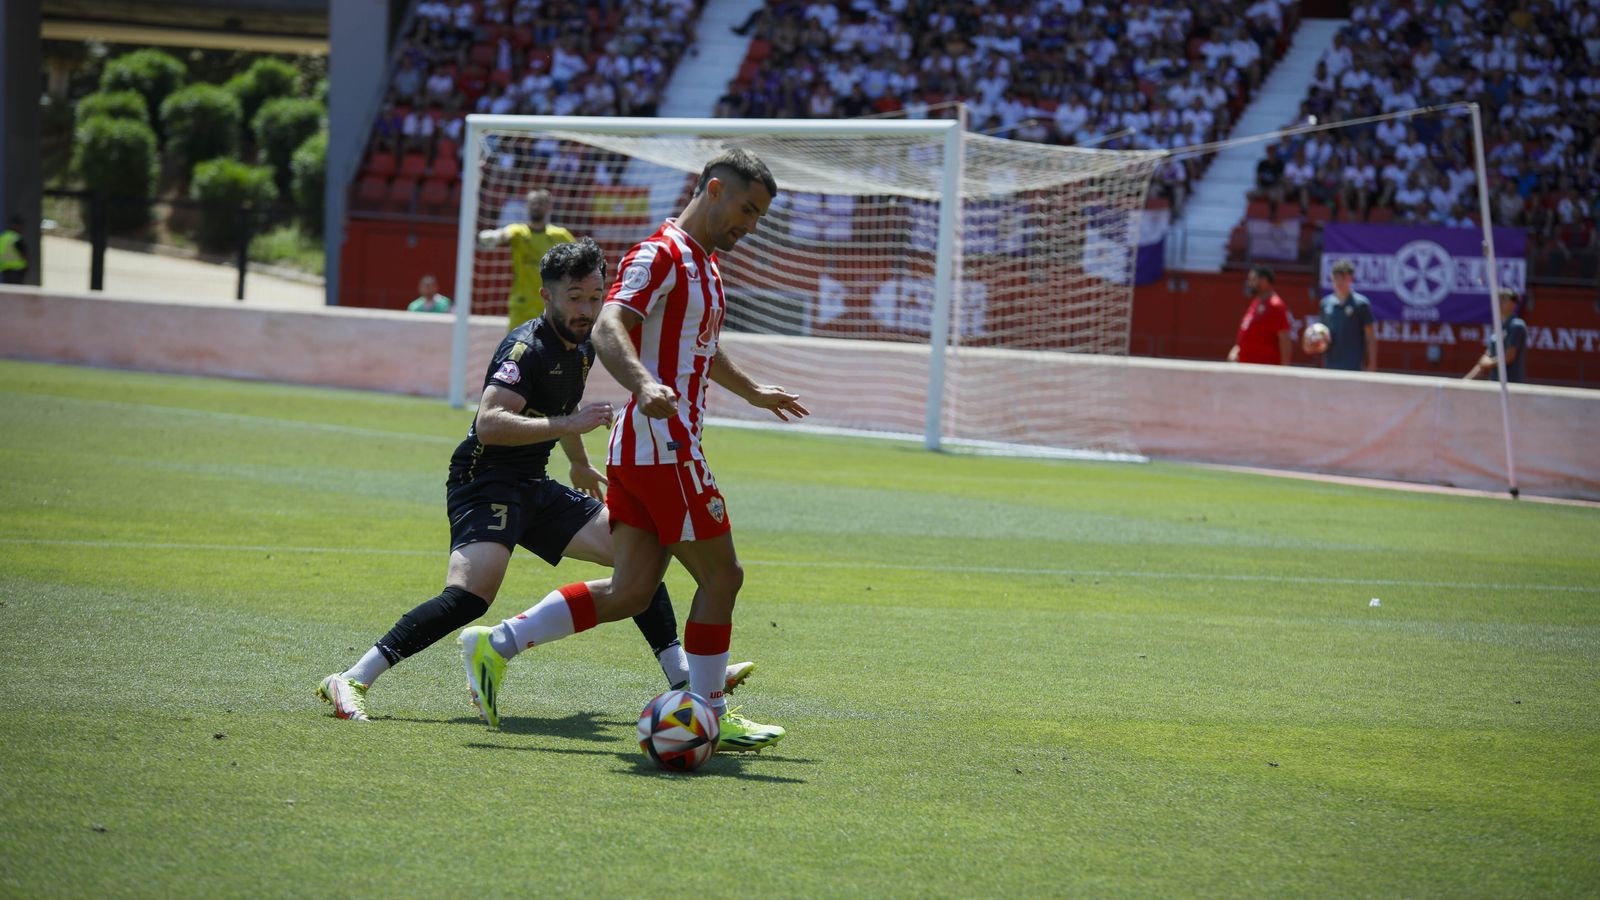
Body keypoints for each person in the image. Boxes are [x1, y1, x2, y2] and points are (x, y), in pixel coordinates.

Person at [317, 238, 753, 722]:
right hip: (485, 482)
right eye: (574, 297)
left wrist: (578, 462)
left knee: (637, 556)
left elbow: (562, 405)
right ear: (547, 295)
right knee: (469, 598)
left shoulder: (583, 343)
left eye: (595, 297)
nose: (586, 309)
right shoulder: (525, 349)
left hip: (533, 482)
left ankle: (681, 674)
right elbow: (490, 422)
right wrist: (571, 425)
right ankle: (352, 678)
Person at [459, 149, 807, 753]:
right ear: (714, 190)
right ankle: (710, 712)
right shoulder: (660, 253)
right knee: (723, 576)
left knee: (632, 591)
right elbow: (608, 324)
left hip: (644, 449)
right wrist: (644, 384)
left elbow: (699, 345)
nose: (751, 226)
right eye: (747, 209)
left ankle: (498, 643)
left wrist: (752, 391)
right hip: (665, 447)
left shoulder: (704, 263)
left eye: (759, 216)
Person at [477, 189, 575, 330]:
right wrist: (495, 236)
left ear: (549, 207)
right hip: (522, 304)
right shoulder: (519, 231)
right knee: (515, 343)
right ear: (526, 206)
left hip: (551, 306)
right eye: (533, 203)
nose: (536, 207)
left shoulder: (560, 235)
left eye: (540, 203)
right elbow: (505, 234)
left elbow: (578, 256)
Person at [1309, 259, 1377, 372]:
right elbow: (1323, 334)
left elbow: (1370, 336)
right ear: (1331, 278)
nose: (1339, 282)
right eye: (1336, 278)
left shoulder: (1361, 304)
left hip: (1353, 366)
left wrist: (1372, 365)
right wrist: (1314, 343)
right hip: (1330, 366)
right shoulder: (1325, 304)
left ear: (1351, 279)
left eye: (1343, 278)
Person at [1227, 265, 1292, 366]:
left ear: (1264, 281)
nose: (1249, 283)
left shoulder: (1275, 305)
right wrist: (1236, 350)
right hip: (1246, 366)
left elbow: (1284, 339)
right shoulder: (1256, 302)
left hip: (1265, 368)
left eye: (1252, 279)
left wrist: (1284, 369)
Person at [1464, 288, 1527, 383]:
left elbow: (1509, 357)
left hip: (1511, 384)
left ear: (1513, 304)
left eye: (1504, 299)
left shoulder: (1517, 325)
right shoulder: (1498, 326)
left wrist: (1488, 363)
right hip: (1494, 383)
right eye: (1498, 299)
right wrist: (1465, 381)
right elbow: (1486, 358)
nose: (1500, 302)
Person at [0, 215, 29, 285]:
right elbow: (25, 255)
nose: (22, 228)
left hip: (4, 270)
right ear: (16, 226)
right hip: (17, 270)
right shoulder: (16, 237)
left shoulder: (2, 237)